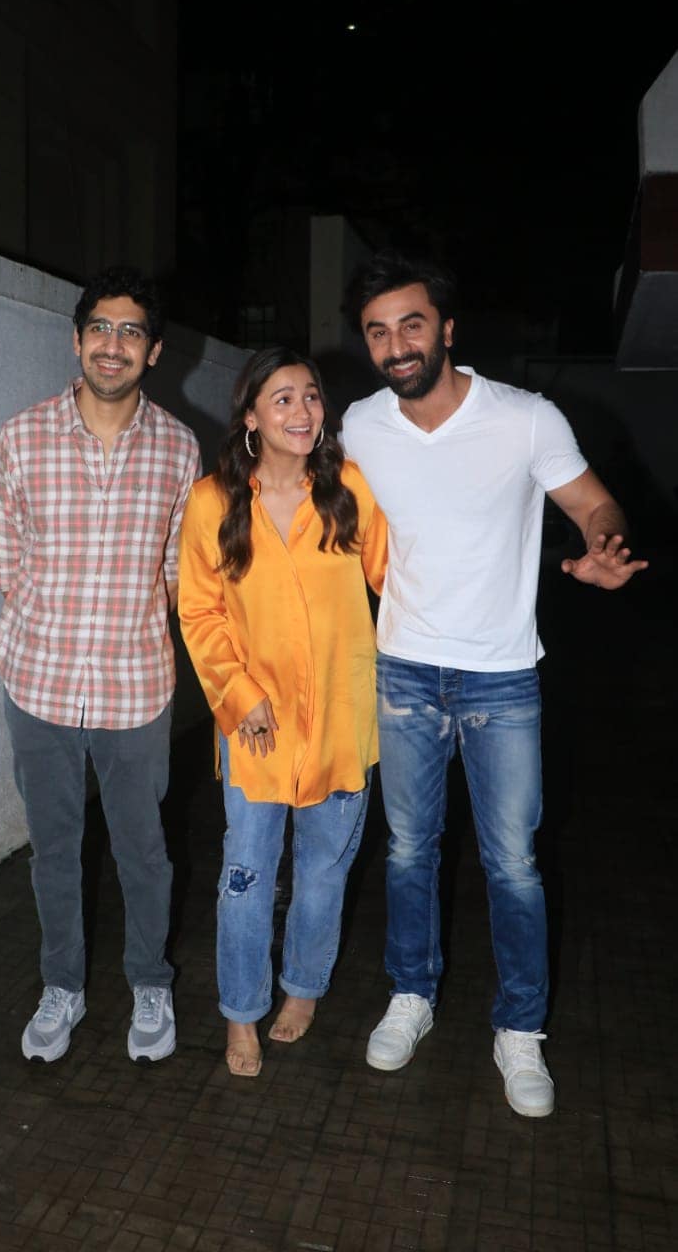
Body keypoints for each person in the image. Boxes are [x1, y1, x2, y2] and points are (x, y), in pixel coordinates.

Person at [340, 249, 648, 1117]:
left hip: (502, 678)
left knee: (511, 864)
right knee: (408, 850)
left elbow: (592, 502)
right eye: (376, 331)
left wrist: (604, 546)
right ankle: (412, 995)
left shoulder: (523, 419)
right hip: (401, 668)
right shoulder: (360, 425)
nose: (395, 344)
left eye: (409, 324)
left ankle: (519, 1030)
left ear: (445, 328)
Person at [0, 266, 201, 1065]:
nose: (114, 345)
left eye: (131, 332)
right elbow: (6, 562)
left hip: (134, 689)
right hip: (37, 682)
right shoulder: (21, 436)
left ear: (154, 352)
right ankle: (62, 987)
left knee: (142, 851)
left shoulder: (180, 449)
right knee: (53, 848)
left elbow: (182, 574)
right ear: (76, 341)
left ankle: (149, 981)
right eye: (100, 329)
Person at [178, 346, 387, 1077]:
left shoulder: (349, 488)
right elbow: (198, 614)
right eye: (282, 400)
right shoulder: (212, 502)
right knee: (245, 876)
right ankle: (240, 1012)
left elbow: (399, 579)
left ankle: (302, 988)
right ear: (250, 418)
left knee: (324, 874)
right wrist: (238, 697)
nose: (301, 412)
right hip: (256, 729)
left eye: (310, 397)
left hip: (340, 721)